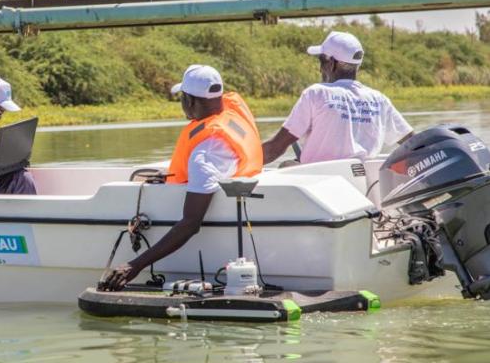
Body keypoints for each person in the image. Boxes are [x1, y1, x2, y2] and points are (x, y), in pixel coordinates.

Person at [103, 64, 263, 290]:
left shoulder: (205, 154)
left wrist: (134, 266)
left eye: (182, 98)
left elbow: (191, 223)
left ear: (190, 101)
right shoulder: (229, 115)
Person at [262, 30, 413, 165]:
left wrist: (239, 162)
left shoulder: (316, 93)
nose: (320, 68)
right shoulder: (379, 100)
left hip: (321, 183)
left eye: (321, 61)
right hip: (364, 185)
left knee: (286, 166)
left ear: (332, 63)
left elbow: (275, 148)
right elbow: (414, 143)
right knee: (290, 164)